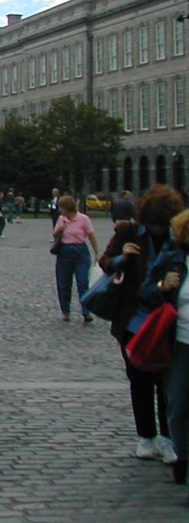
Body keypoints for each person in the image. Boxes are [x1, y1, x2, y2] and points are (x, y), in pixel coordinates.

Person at [99, 185, 183, 463]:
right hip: (133, 318)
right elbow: (105, 261)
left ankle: (169, 437)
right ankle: (145, 436)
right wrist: (123, 257)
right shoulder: (130, 232)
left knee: (165, 380)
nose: (158, 229)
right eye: (154, 224)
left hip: (167, 317)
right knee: (139, 378)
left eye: (162, 225)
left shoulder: (178, 236)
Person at [139, 208, 189, 488]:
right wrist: (162, 285)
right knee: (178, 407)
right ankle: (183, 457)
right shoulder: (173, 260)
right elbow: (145, 293)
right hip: (181, 343)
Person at [52, 194, 99, 323]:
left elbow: (91, 235)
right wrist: (60, 230)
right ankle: (66, 311)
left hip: (80, 251)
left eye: (61, 207)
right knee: (64, 283)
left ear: (68, 207)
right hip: (65, 252)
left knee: (83, 282)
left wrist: (97, 252)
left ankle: (86, 311)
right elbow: (55, 234)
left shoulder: (83, 219)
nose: (60, 210)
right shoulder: (61, 219)